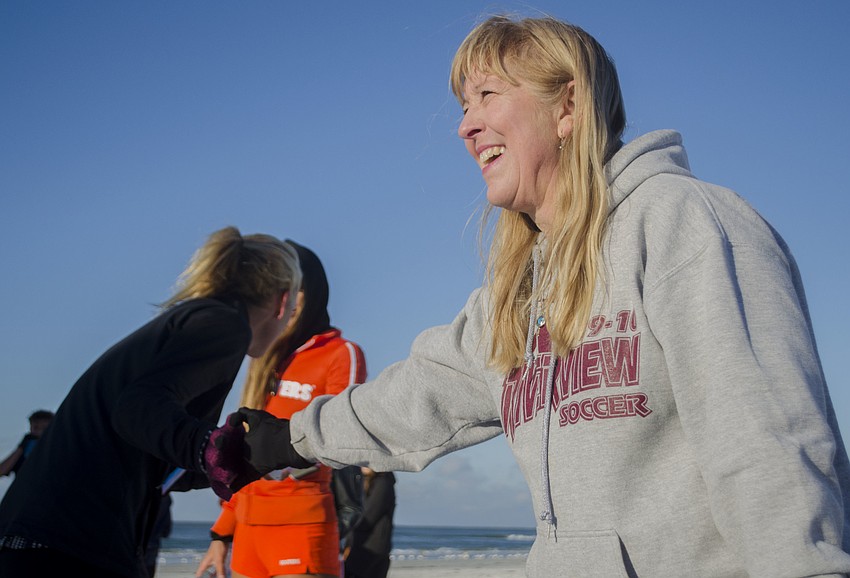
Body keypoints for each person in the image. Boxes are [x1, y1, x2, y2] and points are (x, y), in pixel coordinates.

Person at [216, 15, 850, 577]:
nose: (466, 126)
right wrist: (286, 441)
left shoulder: (683, 223)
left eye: (487, 95)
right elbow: (420, 397)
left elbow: (768, 450)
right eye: (465, 106)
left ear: (568, 105)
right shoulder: (517, 289)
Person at [0, 226, 301, 578]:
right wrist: (215, 446)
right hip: (68, 544)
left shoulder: (197, 319)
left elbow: (160, 457)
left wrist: (251, 458)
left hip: (42, 536)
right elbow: (136, 411)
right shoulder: (223, 324)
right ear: (283, 302)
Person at [195, 241, 366, 578]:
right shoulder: (264, 359)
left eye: (290, 291)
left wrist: (283, 458)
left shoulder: (340, 352)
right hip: (247, 532)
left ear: (310, 292)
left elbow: (342, 436)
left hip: (301, 525)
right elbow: (242, 456)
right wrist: (221, 533)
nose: (281, 302)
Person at [343, 468, 395, 578]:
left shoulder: (383, 483)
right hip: (365, 548)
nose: (362, 465)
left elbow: (368, 517)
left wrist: (344, 531)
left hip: (371, 550)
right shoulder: (365, 482)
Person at [0, 410, 53, 478]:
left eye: (44, 428)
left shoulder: (58, 448)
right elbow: (2, 470)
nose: (40, 431)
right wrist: (21, 447)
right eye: (36, 428)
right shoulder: (25, 448)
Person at [144, 493, 172, 578]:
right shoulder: (164, 496)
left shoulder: (136, 493)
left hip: (137, 547)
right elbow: (166, 531)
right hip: (152, 547)